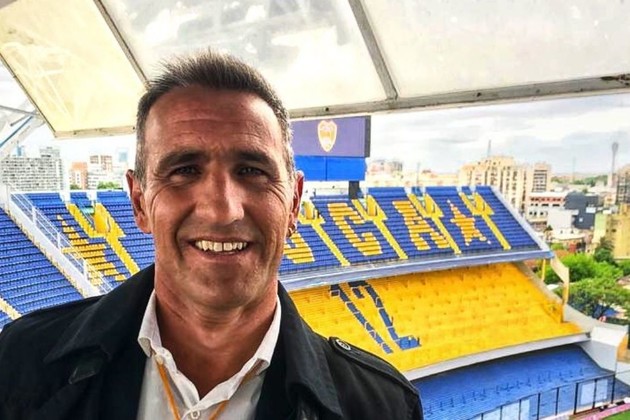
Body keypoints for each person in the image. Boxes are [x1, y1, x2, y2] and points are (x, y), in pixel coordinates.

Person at [0, 50, 423, 419]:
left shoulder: (381, 407)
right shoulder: (21, 362)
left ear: (294, 203)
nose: (222, 210)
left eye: (252, 171)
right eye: (184, 170)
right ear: (139, 202)